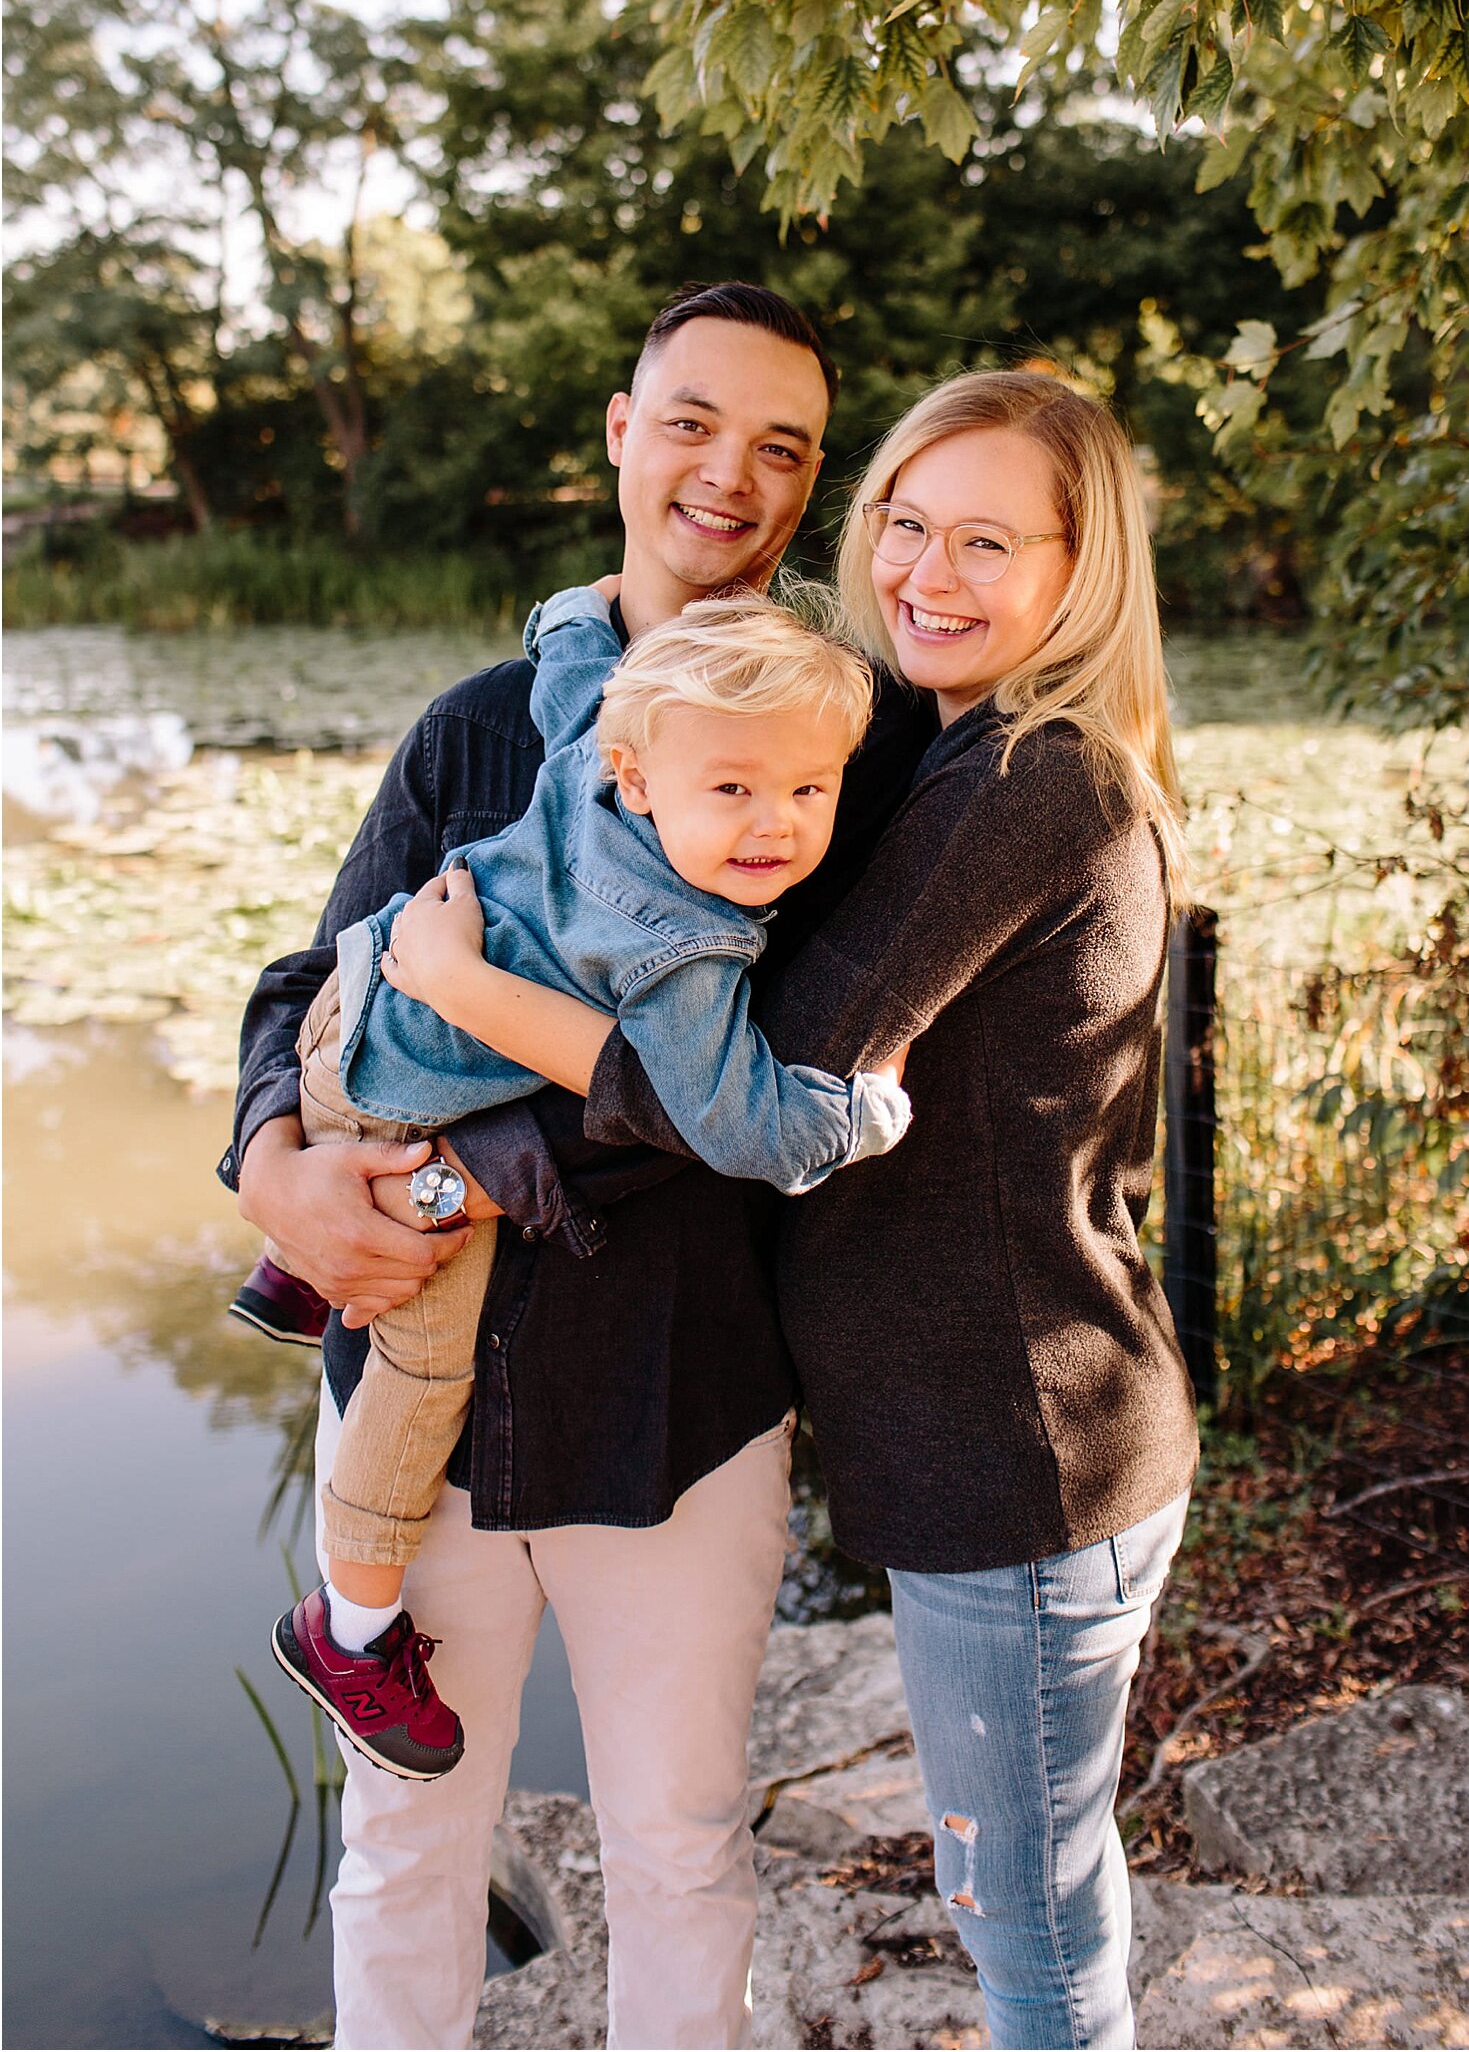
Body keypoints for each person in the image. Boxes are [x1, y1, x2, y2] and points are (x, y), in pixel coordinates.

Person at [222, 280, 938, 2051]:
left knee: (684, 1843)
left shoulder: (843, 746)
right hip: (416, 1391)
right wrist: (270, 1163)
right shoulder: (481, 723)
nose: (731, 473)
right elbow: (314, 982)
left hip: (680, 1396)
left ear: (814, 487)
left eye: (784, 447)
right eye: (693, 420)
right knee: (402, 1835)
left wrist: (480, 1151)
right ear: (622, 431)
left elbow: (754, 1111)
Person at [505, 368, 1202, 2050]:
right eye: (903, 519)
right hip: (1000, 1442)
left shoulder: (1025, 777)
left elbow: (774, 1077)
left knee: (1023, 1925)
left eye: (986, 540)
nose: (925, 571)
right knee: (1042, 1889)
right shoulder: (960, 751)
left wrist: (469, 983)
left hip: (1014, 1454)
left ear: (1077, 567)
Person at [257, 589, 906, 1780]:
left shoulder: (586, 760)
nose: (777, 825)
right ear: (646, 774)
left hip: (354, 1006)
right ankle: (344, 1629)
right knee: (419, 1371)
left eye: (811, 789)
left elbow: (571, 669)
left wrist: (569, 614)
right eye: (737, 789)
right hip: (397, 1101)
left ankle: (293, 1273)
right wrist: (862, 1110)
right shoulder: (686, 951)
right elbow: (739, 1123)